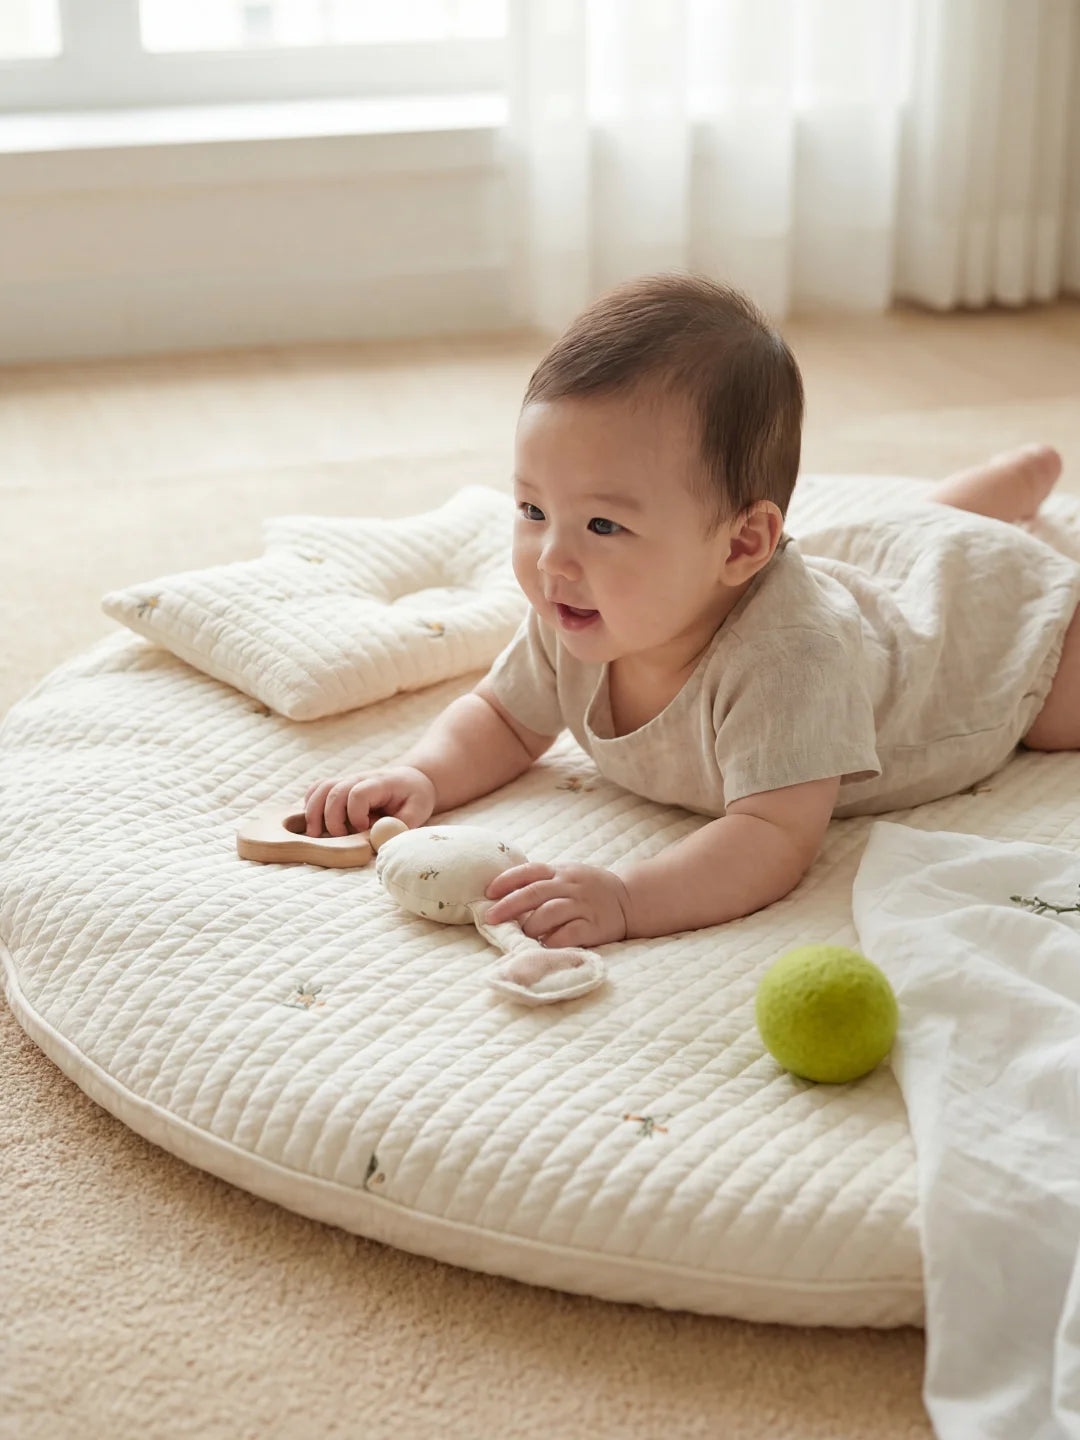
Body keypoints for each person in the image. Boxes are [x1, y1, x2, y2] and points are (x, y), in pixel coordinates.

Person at [304, 274, 1080, 950]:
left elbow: (771, 835)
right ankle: (989, 492)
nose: (552, 558)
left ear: (745, 545)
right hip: (871, 574)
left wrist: (629, 898)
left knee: (1045, 692)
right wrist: (421, 773)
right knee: (882, 541)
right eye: (533, 508)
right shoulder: (577, 603)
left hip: (977, 635)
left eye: (603, 525)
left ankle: (984, 514)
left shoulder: (788, 660)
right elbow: (505, 718)